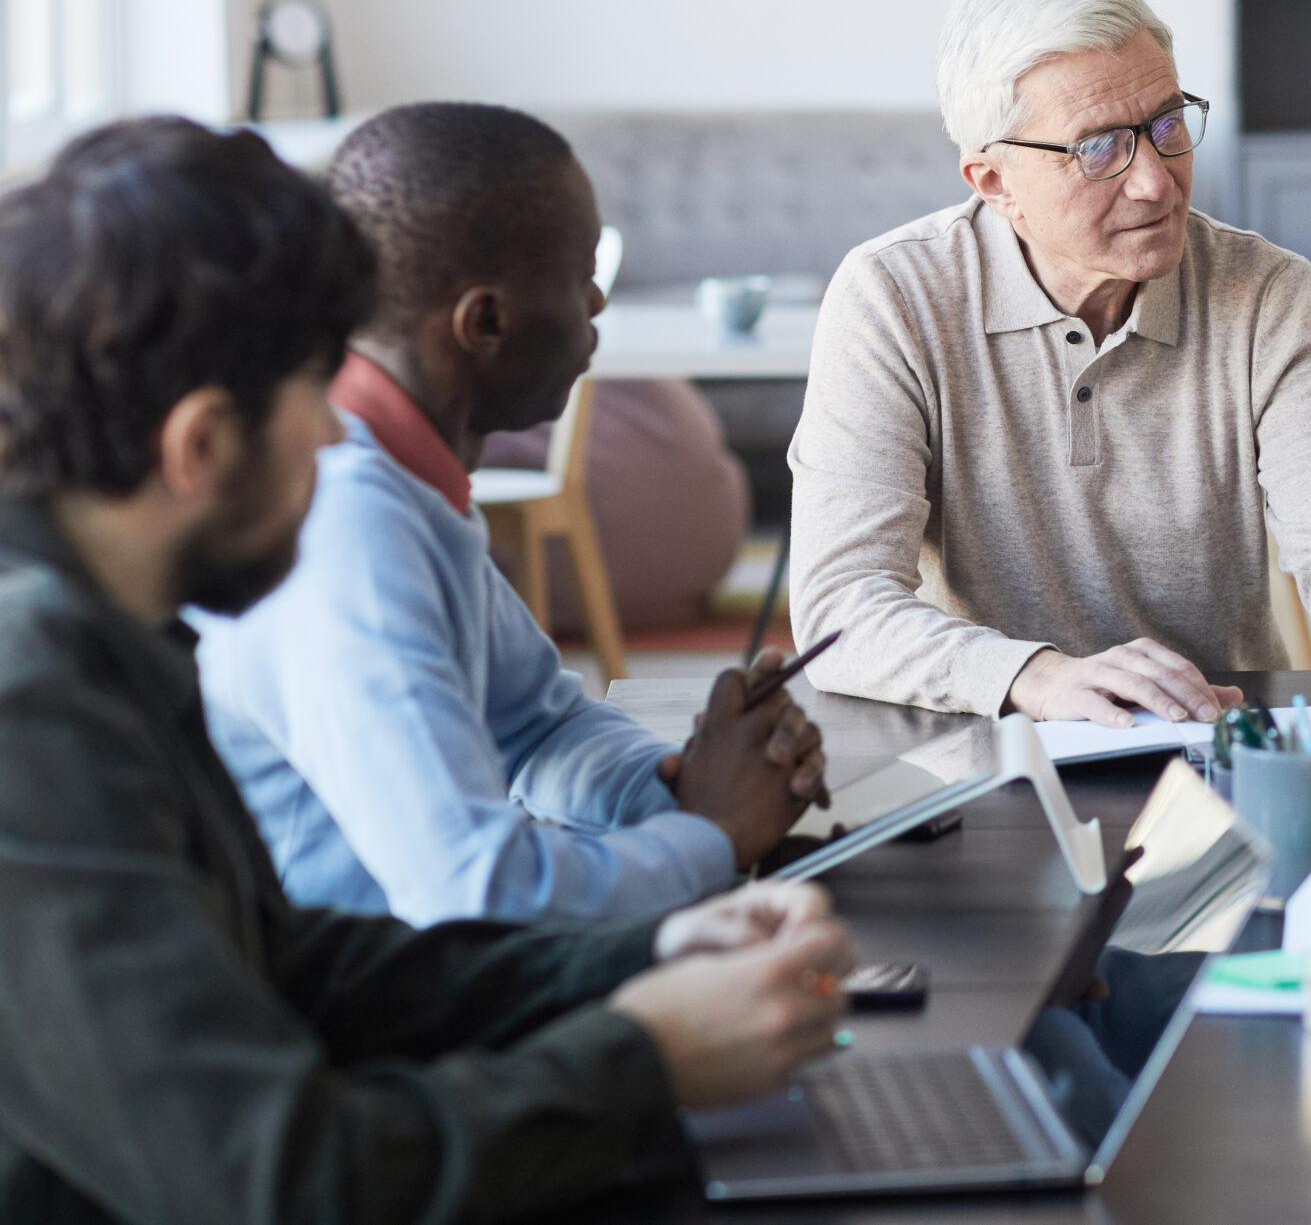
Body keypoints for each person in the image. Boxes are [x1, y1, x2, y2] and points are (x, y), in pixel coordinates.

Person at [0, 118, 852, 1223]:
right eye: (315, 394)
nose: (332, 440)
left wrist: (644, 952)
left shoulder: (112, 627)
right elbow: (281, 1181)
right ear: (200, 447)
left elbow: (289, 962)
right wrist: (646, 1054)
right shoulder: (30, 711)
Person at [196, 104, 827, 926]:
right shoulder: (350, 525)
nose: (597, 300)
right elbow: (471, 889)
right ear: (484, 321)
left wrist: (684, 778)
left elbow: (535, 726)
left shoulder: (409, 482)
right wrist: (713, 834)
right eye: (577, 274)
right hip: (363, 1008)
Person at [789, 0, 1311, 723]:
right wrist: (1037, 676)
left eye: (1167, 124)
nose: (1156, 184)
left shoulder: (1269, 296)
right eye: (1100, 149)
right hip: (988, 739)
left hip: (1215, 742)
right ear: (994, 181)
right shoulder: (893, 298)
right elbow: (838, 612)